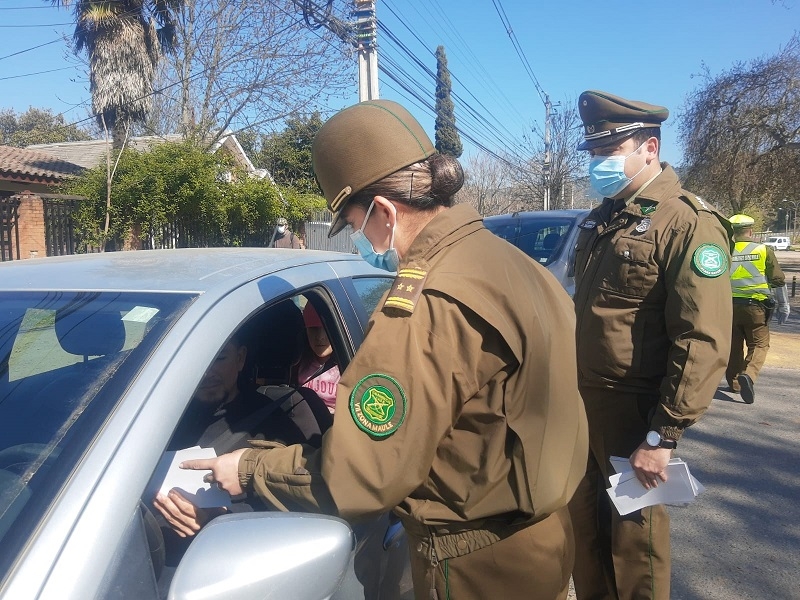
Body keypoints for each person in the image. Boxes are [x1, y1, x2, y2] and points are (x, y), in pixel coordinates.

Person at [182, 99, 588, 599]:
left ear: (385, 210)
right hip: (547, 538)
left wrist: (247, 468)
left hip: (477, 567)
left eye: (354, 224)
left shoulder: (425, 303)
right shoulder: (519, 267)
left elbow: (361, 478)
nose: (360, 239)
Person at [568, 90, 734, 600]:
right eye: (594, 154)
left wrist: (662, 436)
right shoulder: (604, 219)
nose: (600, 163)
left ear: (649, 147)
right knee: (585, 536)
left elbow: (701, 337)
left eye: (610, 152)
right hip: (582, 404)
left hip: (635, 412)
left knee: (635, 548)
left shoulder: (687, 222)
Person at [153, 307, 331, 549]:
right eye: (196, 360)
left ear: (240, 358)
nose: (207, 371)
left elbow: (301, 516)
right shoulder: (156, 418)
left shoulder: (283, 422)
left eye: (219, 358)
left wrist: (215, 524)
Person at [726, 213, 790, 404]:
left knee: (734, 347)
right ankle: (749, 375)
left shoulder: (724, 250)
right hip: (756, 306)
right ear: (751, 230)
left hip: (729, 307)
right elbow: (778, 280)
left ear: (732, 232)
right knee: (759, 344)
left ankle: (735, 383)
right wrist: (784, 305)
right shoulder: (763, 250)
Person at [293, 302, 340, 413]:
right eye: (313, 328)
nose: (320, 337)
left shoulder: (346, 364)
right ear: (306, 332)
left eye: (326, 329)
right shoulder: (297, 363)